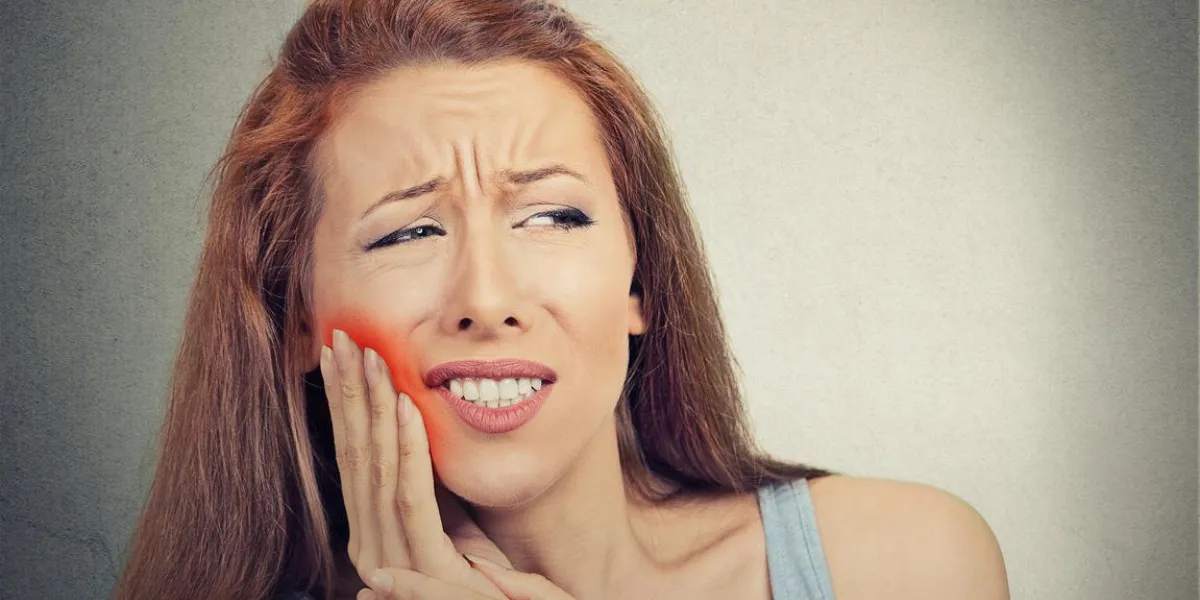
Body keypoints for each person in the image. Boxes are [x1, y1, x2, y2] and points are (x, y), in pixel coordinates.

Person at [114, 1, 1009, 598]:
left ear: (640, 282)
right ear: (297, 320)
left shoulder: (906, 562)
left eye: (552, 215)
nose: (488, 297)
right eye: (407, 233)